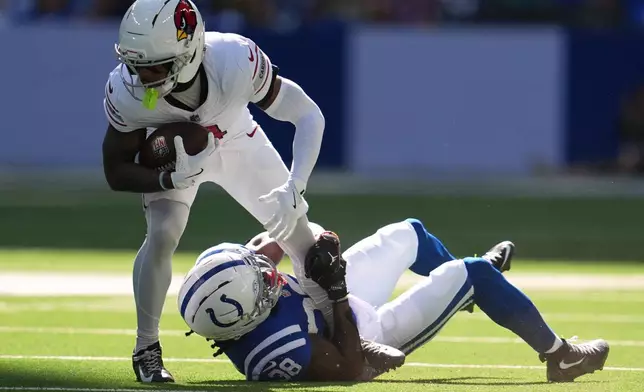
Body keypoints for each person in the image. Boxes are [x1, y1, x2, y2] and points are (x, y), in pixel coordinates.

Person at [101, 0, 330, 382]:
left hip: (236, 139)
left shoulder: (234, 59)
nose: (141, 77)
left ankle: (338, 332)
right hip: (178, 160)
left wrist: (297, 184)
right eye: (135, 66)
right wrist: (167, 180)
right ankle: (146, 349)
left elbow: (308, 114)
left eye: (153, 66)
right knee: (162, 234)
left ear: (187, 53)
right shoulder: (127, 91)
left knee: (302, 237)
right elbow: (115, 171)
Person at [178, 218, 610, 382]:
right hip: (360, 339)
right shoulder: (273, 349)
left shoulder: (234, 286)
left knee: (407, 234)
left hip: (326, 305)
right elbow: (348, 368)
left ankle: (472, 289)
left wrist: (312, 242)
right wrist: (337, 291)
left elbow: (271, 241)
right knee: (474, 273)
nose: (265, 269)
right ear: (250, 316)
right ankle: (561, 355)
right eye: (261, 278)